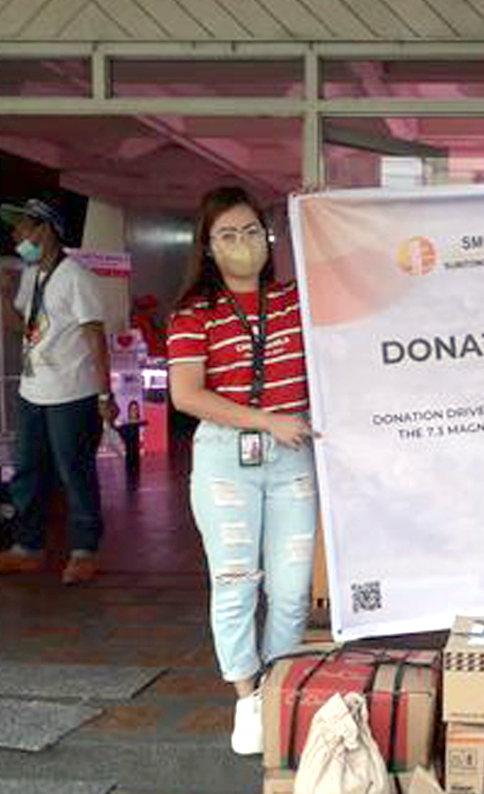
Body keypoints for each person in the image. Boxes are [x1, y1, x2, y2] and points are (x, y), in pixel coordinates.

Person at [166, 186, 317, 756]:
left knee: (292, 590)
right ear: (207, 247)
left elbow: (345, 286)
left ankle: (278, 687)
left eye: (252, 231)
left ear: (268, 238)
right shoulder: (193, 314)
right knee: (235, 584)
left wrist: (321, 217)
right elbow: (186, 394)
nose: (243, 244)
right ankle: (248, 698)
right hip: (226, 458)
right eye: (228, 235)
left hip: (292, 455)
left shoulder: (295, 302)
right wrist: (265, 420)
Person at [0, 198, 117, 585]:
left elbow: (95, 338)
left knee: (75, 472)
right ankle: (27, 548)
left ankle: (85, 551)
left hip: (72, 393)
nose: (16, 236)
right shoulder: (31, 275)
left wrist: (105, 396)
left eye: (22, 227)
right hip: (32, 390)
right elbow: (22, 328)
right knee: (26, 471)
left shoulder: (76, 277)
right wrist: (4, 296)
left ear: (46, 230)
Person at [116, 399, 147, 487]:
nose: (134, 411)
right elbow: (119, 428)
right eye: (132, 409)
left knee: (136, 474)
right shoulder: (125, 424)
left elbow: (144, 423)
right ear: (129, 411)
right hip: (129, 453)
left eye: (136, 409)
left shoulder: (140, 422)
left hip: (135, 453)